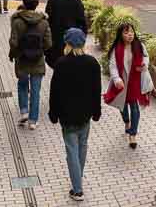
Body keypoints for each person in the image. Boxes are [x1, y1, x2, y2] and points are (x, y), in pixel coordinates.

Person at [48, 28, 102, 202]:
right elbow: (96, 90)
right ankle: (78, 177)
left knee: (71, 149)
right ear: (83, 43)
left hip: (67, 115)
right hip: (85, 114)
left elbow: (54, 91)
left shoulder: (61, 64)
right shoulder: (92, 63)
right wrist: (96, 110)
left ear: (67, 43)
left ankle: (77, 189)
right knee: (82, 146)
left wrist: (53, 113)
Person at [103, 23, 153, 149]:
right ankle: (126, 121)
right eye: (126, 33)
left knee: (135, 107)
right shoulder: (117, 49)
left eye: (131, 32)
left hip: (135, 81)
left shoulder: (139, 45)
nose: (130, 35)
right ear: (120, 35)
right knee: (123, 106)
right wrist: (116, 79)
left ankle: (133, 134)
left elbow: (146, 57)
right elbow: (113, 66)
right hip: (122, 82)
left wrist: (144, 64)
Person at [9, 0, 52, 130]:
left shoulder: (17, 21)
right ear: (37, 4)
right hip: (37, 60)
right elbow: (48, 43)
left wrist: (16, 53)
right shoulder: (44, 22)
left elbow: (13, 42)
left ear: (24, 4)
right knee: (35, 90)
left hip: (21, 58)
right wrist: (39, 50)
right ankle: (33, 121)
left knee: (22, 84)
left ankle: (23, 111)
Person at [44, 0, 88, 68]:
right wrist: (83, 36)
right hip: (73, 39)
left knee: (58, 65)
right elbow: (82, 19)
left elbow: (48, 19)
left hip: (56, 38)